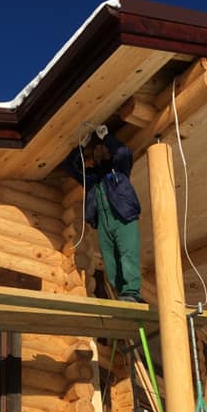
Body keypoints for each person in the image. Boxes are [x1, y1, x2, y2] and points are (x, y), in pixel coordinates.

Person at [65, 124, 143, 302]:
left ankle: (132, 292)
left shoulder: (120, 169)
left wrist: (107, 137)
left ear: (109, 152)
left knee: (127, 253)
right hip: (103, 224)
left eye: (102, 148)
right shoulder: (91, 178)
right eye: (96, 150)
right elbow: (70, 167)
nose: (99, 151)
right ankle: (122, 295)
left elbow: (124, 152)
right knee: (110, 261)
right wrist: (81, 147)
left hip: (123, 218)